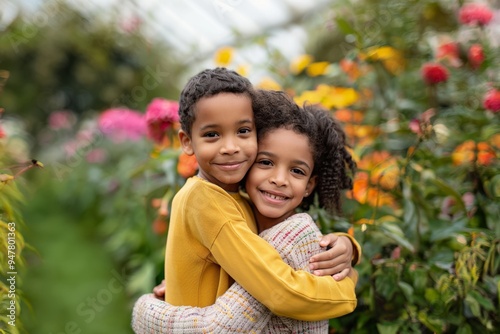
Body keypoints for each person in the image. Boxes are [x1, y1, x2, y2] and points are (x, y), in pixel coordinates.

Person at [131, 90, 358, 333]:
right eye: (266, 162)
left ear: (309, 186)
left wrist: (146, 311)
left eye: (297, 171)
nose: (279, 179)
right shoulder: (239, 209)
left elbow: (217, 328)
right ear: (248, 163)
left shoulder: (292, 237)